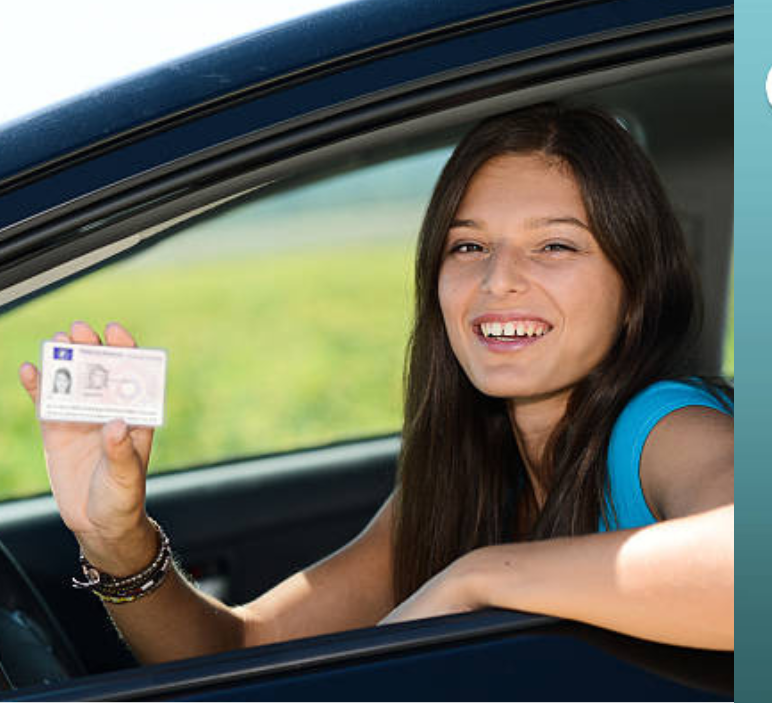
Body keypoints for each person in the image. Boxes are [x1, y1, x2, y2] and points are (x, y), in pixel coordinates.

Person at [16, 103, 734, 665]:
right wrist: (116, 539)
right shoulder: (475, 470)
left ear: (635, 288)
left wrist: (480, 578)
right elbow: (240, 653)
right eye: (469, 245)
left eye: (555, 245)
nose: (498, 278)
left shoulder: (664, 428)